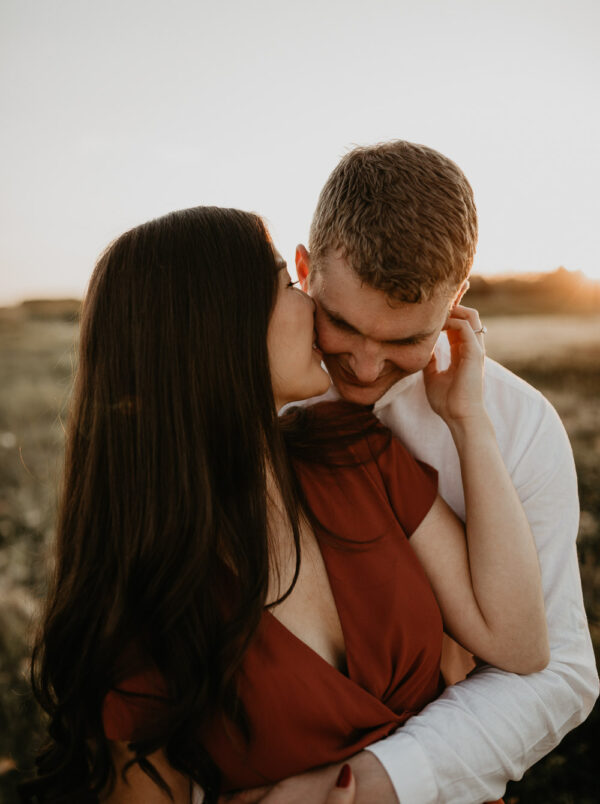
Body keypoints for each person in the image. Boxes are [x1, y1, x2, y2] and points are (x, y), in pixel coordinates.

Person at [25, 205, 548, 804]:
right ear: (220, 331)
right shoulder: (145, 616)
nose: (309, 303)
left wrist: (469, 418)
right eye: (285, 283)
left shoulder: (354, 451)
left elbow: (520, 644)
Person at [228, 140, 598, 804]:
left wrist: (378, 782)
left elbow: (560, 672)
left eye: (403, 340)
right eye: (342, 325)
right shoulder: (252, 394)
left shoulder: (520, 427)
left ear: (458, 296)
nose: (366, 369)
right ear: (306, 269)